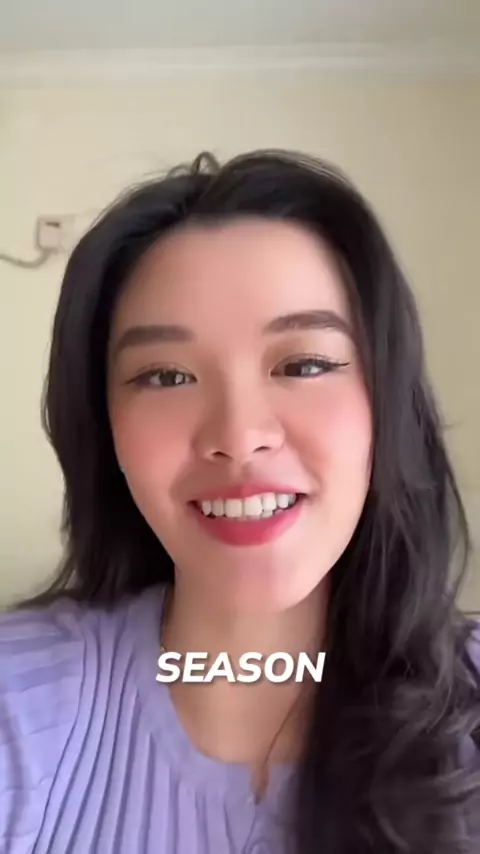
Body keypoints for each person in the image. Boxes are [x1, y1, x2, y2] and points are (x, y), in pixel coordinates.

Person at [0, 149, 479, 854]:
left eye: (304, 364)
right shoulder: (18, 701)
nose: (238, 436)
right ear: (106, 431)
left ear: (386, 402)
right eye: (166, 376)